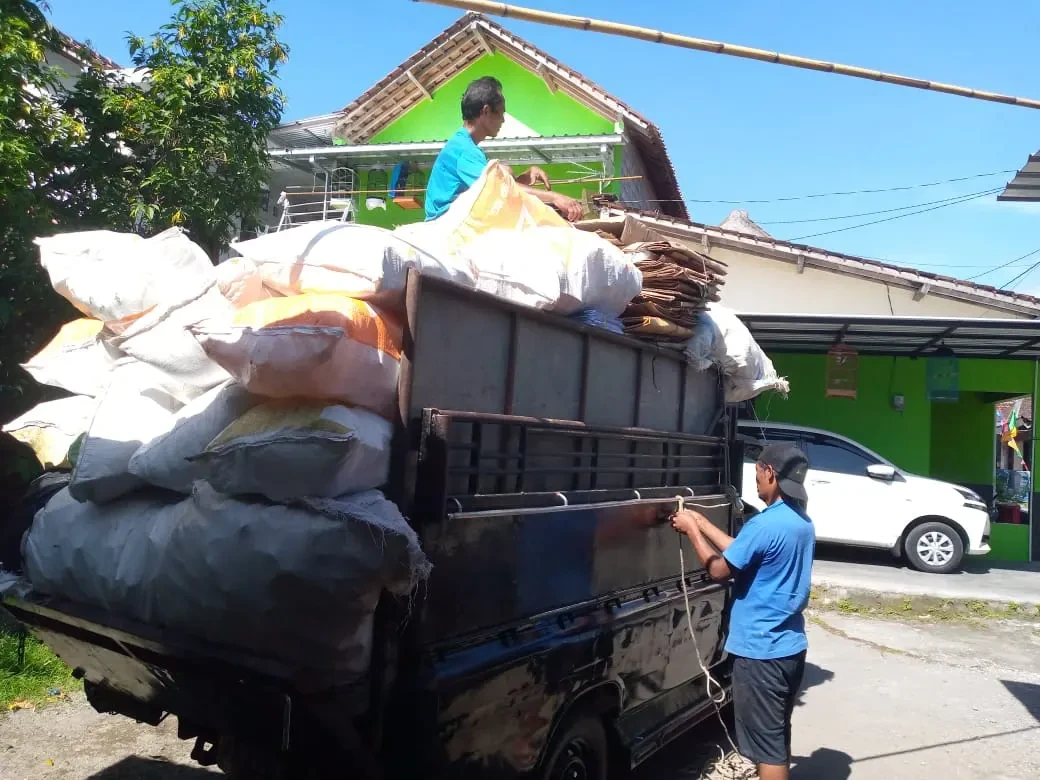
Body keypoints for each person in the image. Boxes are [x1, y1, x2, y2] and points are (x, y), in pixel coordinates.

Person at [671, 443, 815, 780]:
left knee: (769, 747)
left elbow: (721, 570)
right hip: (789, 647)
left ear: (771, 474)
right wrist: (703, 523)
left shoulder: (763, 526)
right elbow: (745, 551)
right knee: (776, 734)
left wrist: (691, 531)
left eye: (757, 476)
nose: (755, 484)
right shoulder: (799, 523)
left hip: (760, 652)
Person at [424, 76, 584, 222]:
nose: (503, 120)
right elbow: (502, 189)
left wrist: (525, 177)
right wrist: (554, 197)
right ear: (486, 111)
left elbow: (497, 189)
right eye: (501, 113)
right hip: (447, 224)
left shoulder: (465, 146)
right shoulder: (463, 151)